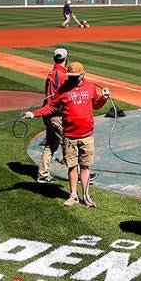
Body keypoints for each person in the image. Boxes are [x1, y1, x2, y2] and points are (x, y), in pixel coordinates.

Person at [22, 61, 108, 207]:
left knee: (85, 166)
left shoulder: (90, 88)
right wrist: (34, 114)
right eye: (70, 76)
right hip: (69, 135)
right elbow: (51, 107)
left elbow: (96, 105)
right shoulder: (63, 88)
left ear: (83, 74)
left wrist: (104, 98)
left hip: (87, 135)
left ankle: (86, 196)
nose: (72, 78)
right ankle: (73, 195)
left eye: (75, 76)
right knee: (72, 167)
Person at [35, 47, 68, 183]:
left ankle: (42, 174)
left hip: (48, 114)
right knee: (69, 143)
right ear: (66, 59)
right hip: (55, 115)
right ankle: (78, 174)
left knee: (51, 143)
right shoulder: (61, 75)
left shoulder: (52, 73)